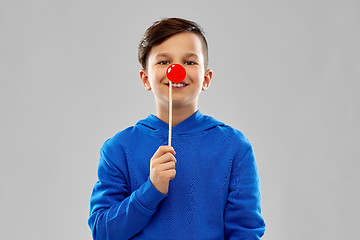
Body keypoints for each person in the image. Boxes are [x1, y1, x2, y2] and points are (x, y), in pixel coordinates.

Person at [88, 17, 265, 240]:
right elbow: (103, 232)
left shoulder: (234, 147)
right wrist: (151, 190)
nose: (176, 70)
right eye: (164, 62)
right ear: (145, 79)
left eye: (190, 62)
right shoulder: (118, 148)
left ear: (206, 79)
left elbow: (245, 231)